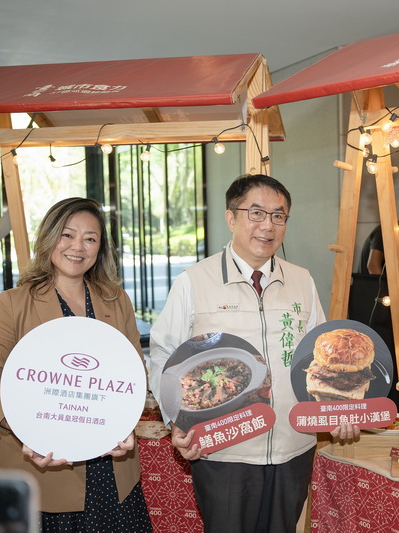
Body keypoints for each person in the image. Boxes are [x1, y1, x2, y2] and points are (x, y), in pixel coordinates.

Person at [148, 174, 357, 533]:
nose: (268, 225)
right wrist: (175, 421)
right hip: (225, 447)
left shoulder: (301, 280)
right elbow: (164, 355)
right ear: (231, 218)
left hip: (293, 446)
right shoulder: (194, 281)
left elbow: (319, 359)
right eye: (256, 213)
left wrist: (337, 408)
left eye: (279, 216)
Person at [0, 198, 152, 532]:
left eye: (90, 239)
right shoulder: (13, 304)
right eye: (67, 235)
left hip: (112, 472)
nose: (77, 247)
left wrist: (127, 420)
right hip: (45, 474)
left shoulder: (116, 300)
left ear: (100, 248)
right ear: (49, 238)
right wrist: (26, 430)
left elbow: (134, 376)